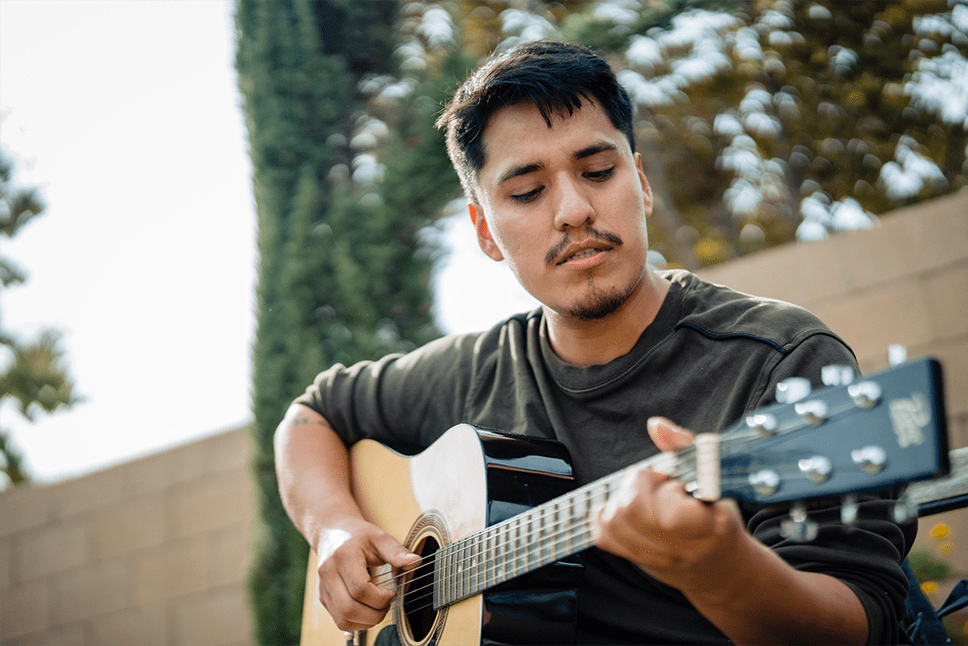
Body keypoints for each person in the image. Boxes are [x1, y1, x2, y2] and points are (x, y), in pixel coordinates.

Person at [275, 41, 913, 644]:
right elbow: (313, 414)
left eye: (599, 171)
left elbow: (859, 623)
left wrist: (720, 566)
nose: (574, 210)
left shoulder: (780, 358)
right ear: (485, 230)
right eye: (527, 191)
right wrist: (334, 528)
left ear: (640, 181)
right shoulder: (475, 372)